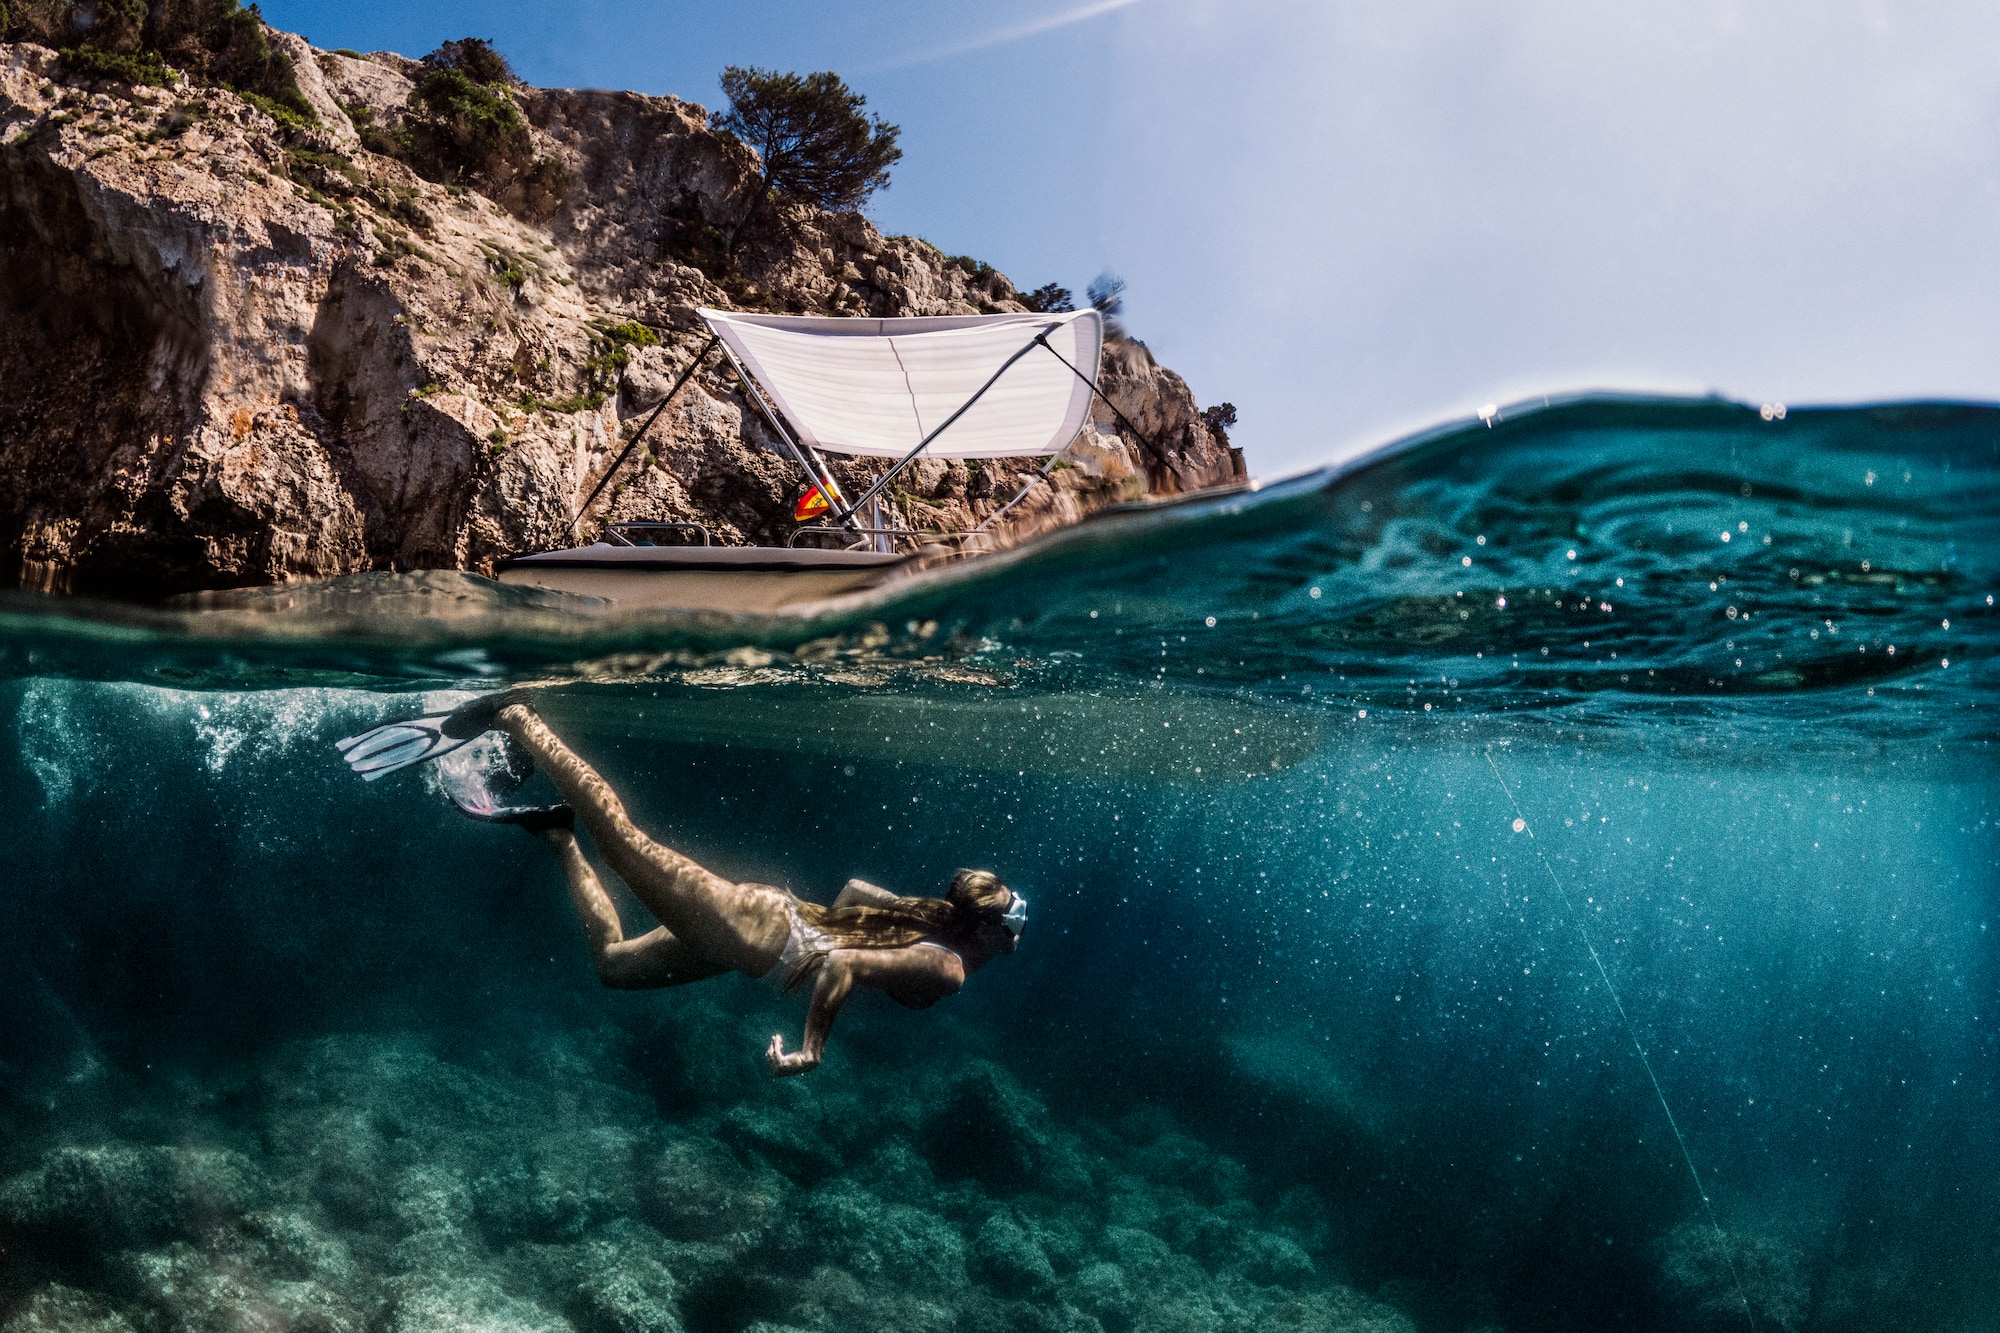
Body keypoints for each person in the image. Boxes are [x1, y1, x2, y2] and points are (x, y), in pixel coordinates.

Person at [336, 690, 1025, 1076]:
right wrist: (813, 1046)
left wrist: (812, 934)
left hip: (753, 934)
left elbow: (848, 896)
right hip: (752, 928)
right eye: (1014, 928)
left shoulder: (928, 923)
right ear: (986, 929)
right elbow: (843, 963)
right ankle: (519, 717)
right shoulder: (948, 965)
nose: (1016, 939)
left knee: (614, 966)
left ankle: (554, 832)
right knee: (626, 841)